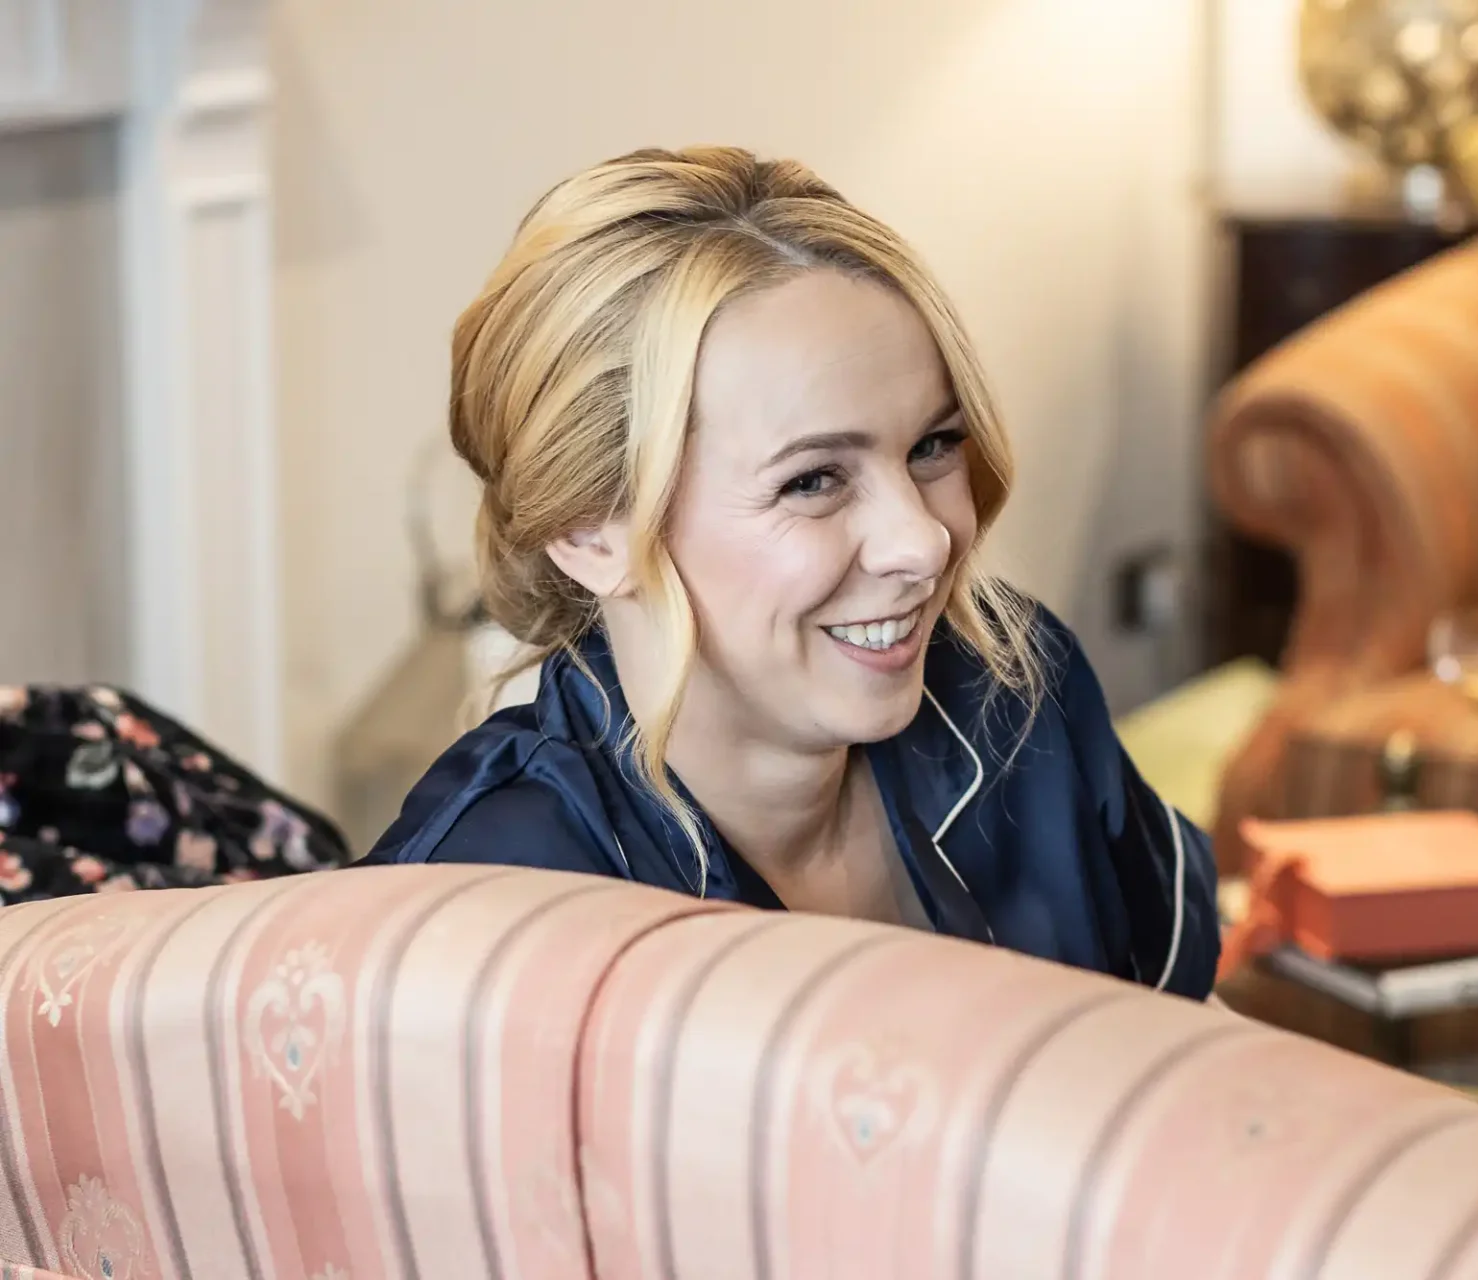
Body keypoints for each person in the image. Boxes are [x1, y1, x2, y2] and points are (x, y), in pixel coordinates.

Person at [362, 146, 1219, 999]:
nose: (921, 544)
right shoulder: (484, 908)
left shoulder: (1014, 685)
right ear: (591, 533)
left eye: (932, 446)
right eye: (812, 481)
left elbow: (1188, 1038)